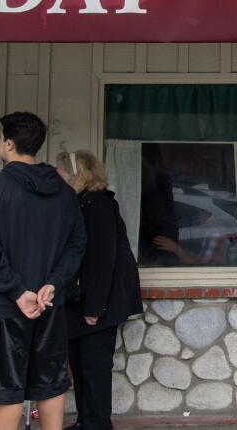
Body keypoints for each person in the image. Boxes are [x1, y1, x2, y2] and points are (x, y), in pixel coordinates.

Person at [0, 112, 87, 430]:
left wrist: (18, 292)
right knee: (51, 384)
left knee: (6, 390)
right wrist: (53, 284)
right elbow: (77, 246)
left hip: (2, 307)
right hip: (50, 304)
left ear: (9, 144)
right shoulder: (65, 193)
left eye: (0, 139)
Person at [55, 150, 143, 430]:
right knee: (80, 367)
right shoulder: (81, 203)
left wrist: (94, 308)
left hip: (96, 303)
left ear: (77, 176)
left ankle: (97, 424)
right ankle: (86, 421)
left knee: (94, 368)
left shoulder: (98, 204)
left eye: (63, 175)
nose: (59, 180)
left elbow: (101, 260)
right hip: (79, 301)